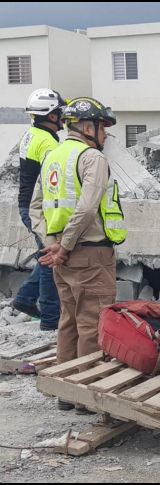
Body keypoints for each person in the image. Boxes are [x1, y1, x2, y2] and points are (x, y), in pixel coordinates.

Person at [30, 97, 127, 412]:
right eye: (103, 129)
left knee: (68, 320)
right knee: (92, 322)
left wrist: (52, 243)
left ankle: (65, 390)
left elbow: (36, 206)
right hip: (89, 253)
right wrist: (66, 244)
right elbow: (87, 206)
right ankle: (86, 394)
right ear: (89, 127)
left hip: (64, 255)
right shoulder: (91, 158)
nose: (105, 136)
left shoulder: (53, 156)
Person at [12, 88, 66, 330]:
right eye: (60, 112)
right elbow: (54, 178)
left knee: (45, 254)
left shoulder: (31, 134)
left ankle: (24, 298)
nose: (64, 116)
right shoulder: (48, 142)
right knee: (49, 259)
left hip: (27, 204)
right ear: (50, 116)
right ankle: (50, 319)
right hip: (38, 208)